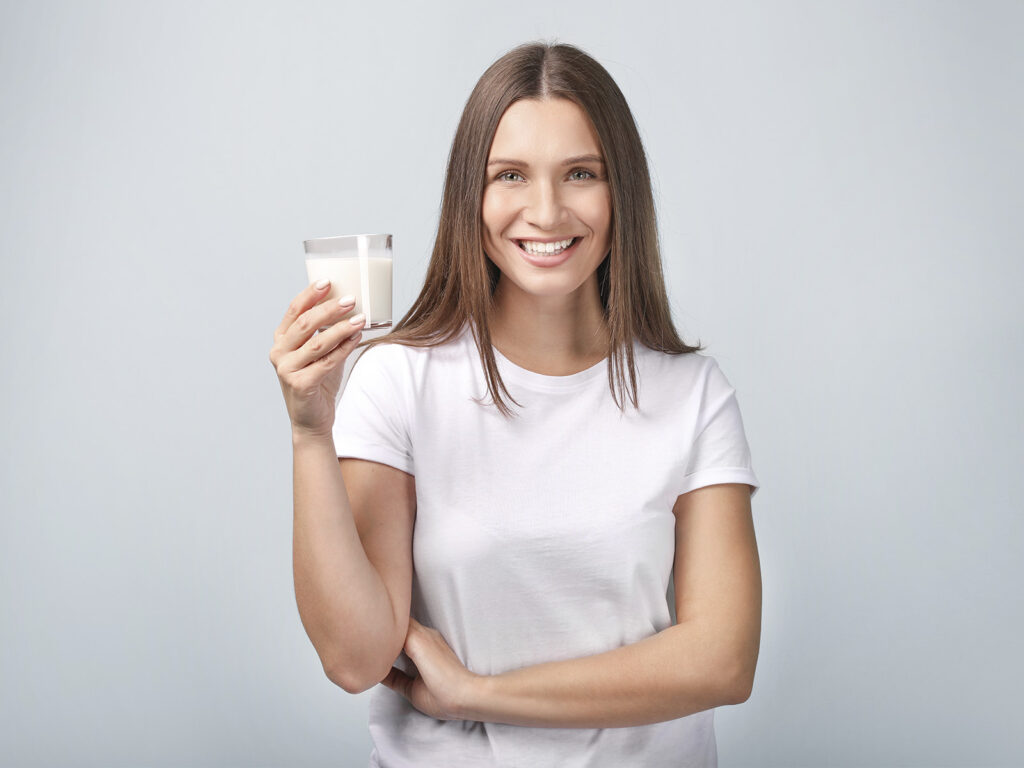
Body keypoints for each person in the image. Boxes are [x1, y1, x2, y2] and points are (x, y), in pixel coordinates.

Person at [270, 40, 762, 768]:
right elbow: (354, 657)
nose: (545, 210)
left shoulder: (693, 396)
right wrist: (311, 436)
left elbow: (722, 661)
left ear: (620, 189)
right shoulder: (399, 380)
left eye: (580, 174)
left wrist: (475, 693)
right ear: (472, 193)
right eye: (510, 175)